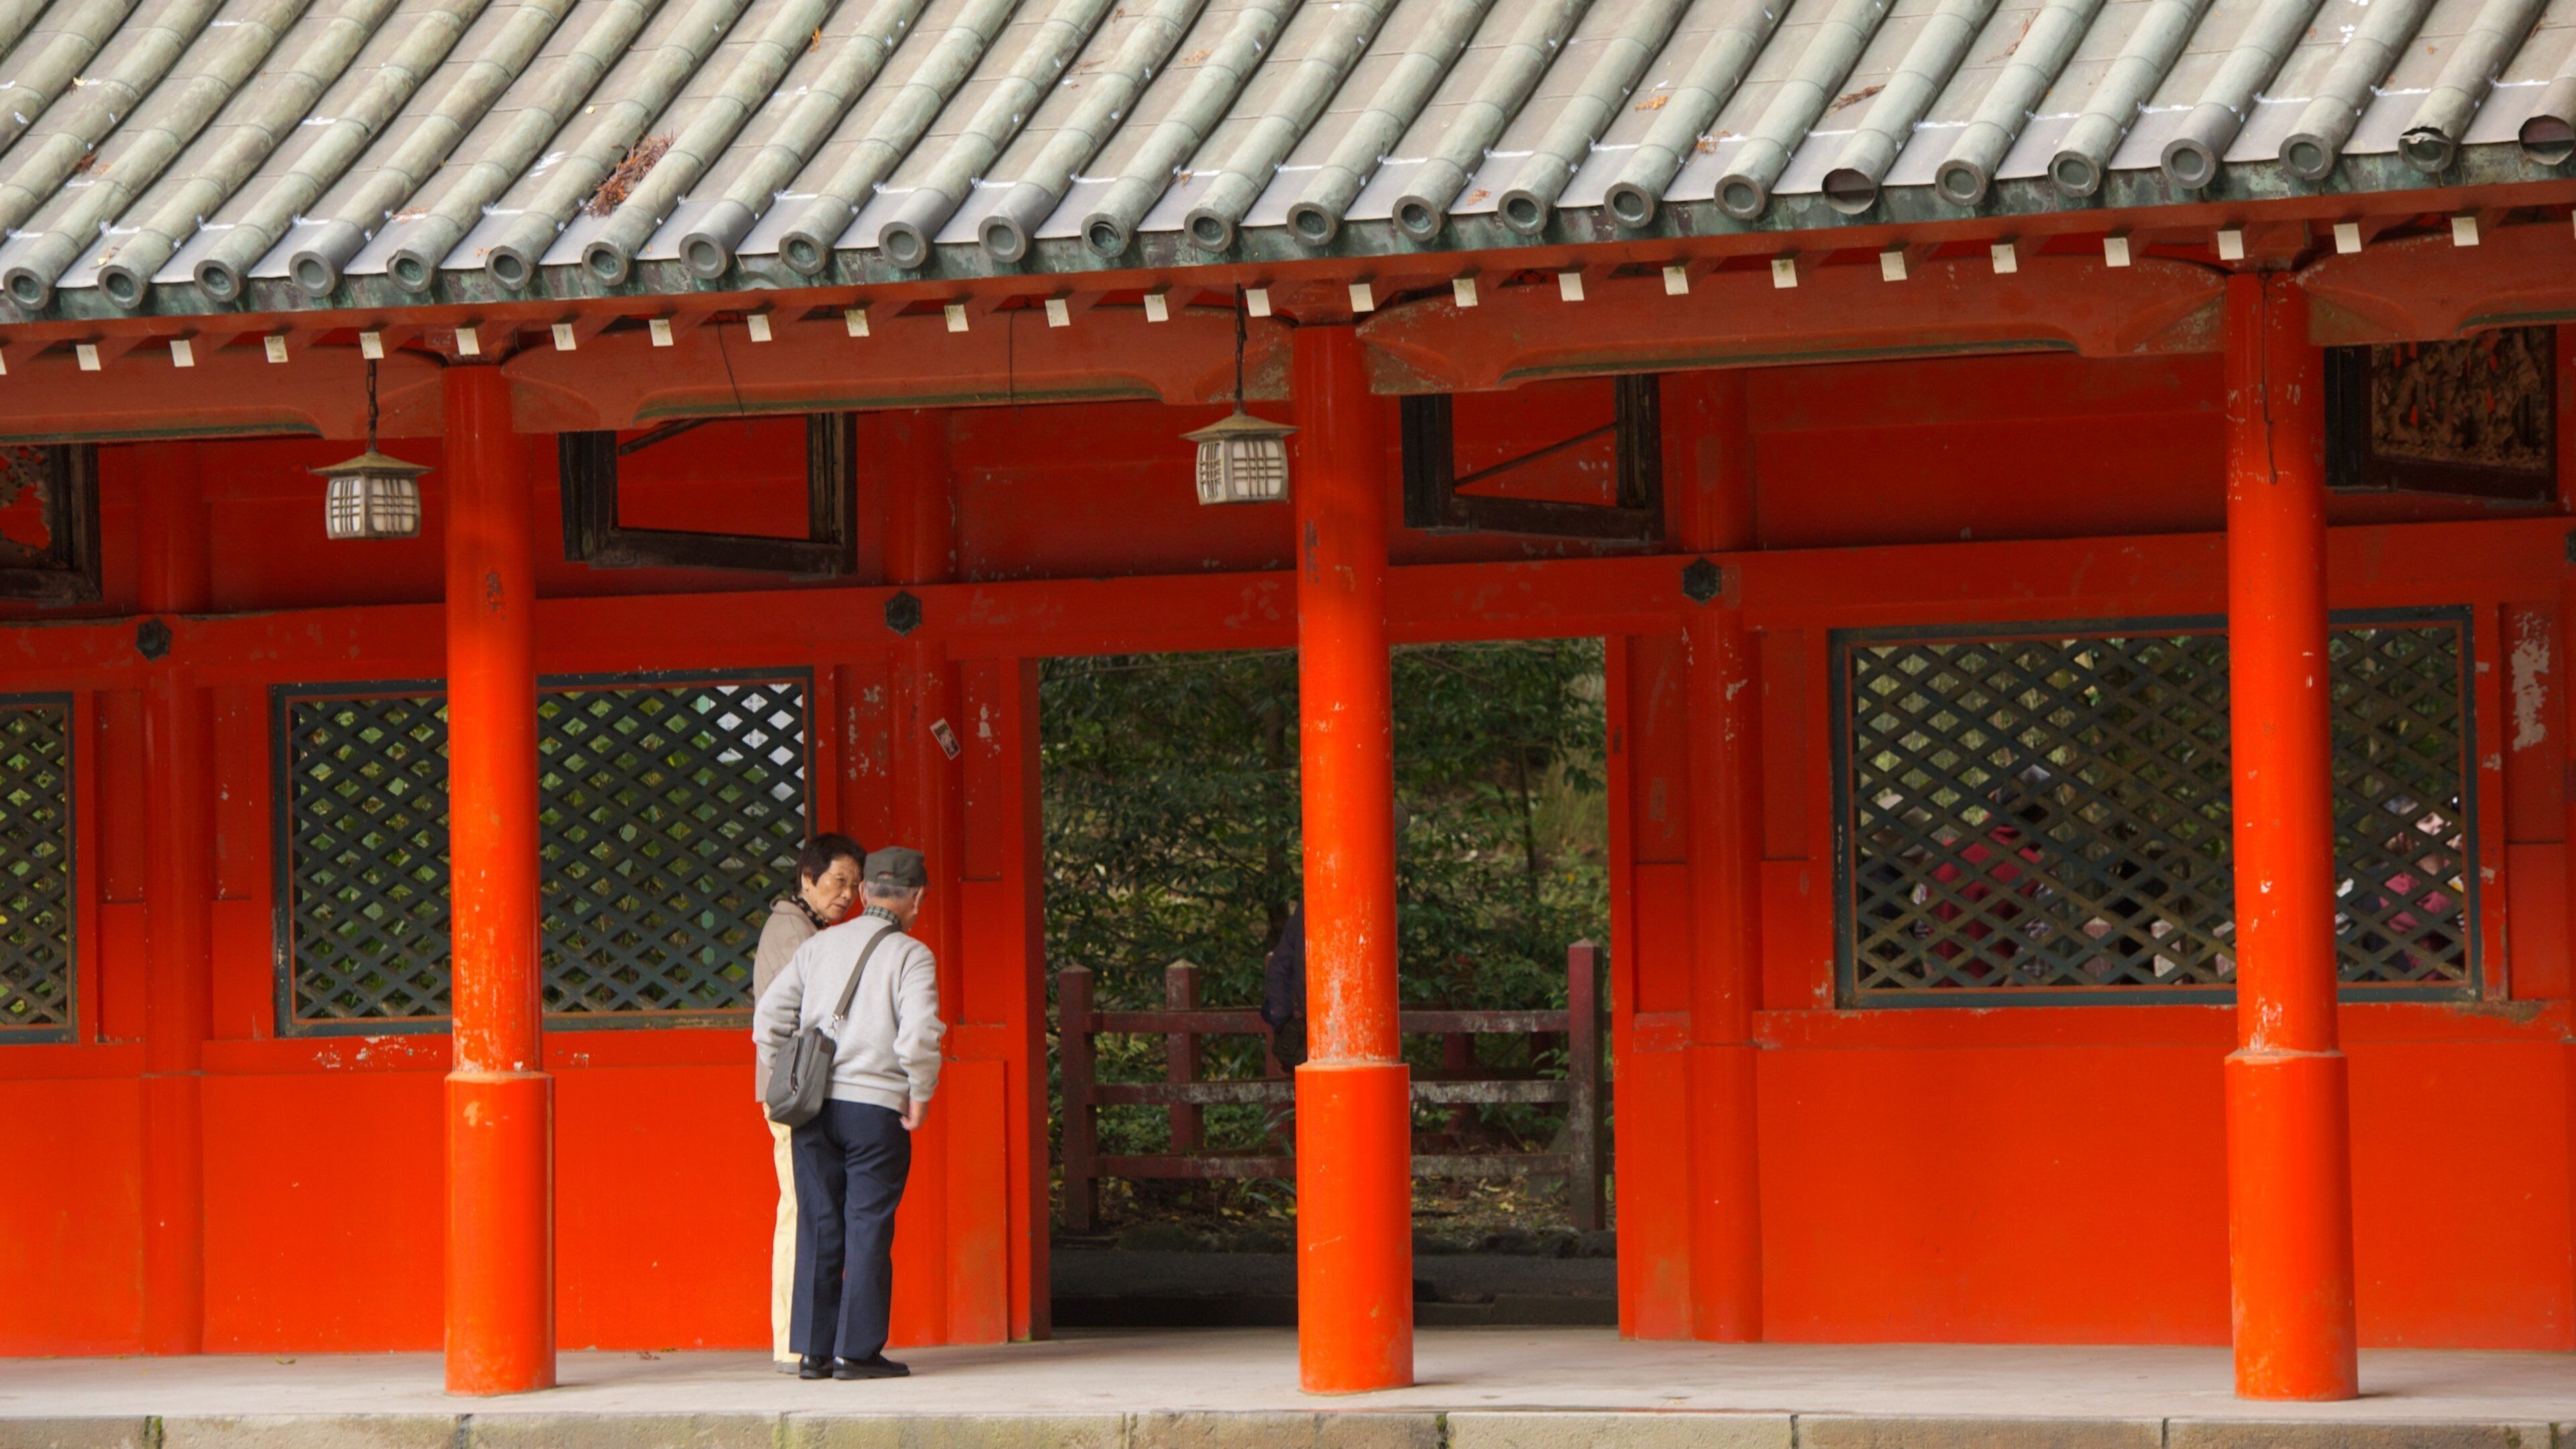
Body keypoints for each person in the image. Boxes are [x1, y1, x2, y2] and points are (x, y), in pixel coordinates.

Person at [752, 846, 945, 1381]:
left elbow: (769, 1016)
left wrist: (781, 1079)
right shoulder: (911, 955)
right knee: (867, 1226)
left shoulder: (820, 946)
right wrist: (920, 1092)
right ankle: (855, 1353)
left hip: (813, 1108)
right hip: (875, 1110)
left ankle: (811, 1352)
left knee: (817, 1224)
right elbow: (921, 1034)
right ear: (918, 900)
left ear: (864, 894)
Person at [751, 833, 865, 1371]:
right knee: (802, 1213)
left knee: (806, 1210)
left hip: (801, 1094)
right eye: (838, 881)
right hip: (796, 1096)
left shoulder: (806, 929)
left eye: (855, 885)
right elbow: (792, 1019)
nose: (847, 894)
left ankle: (802, 1337)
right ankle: (793, 1341)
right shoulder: (792, 932)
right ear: (807, 879)